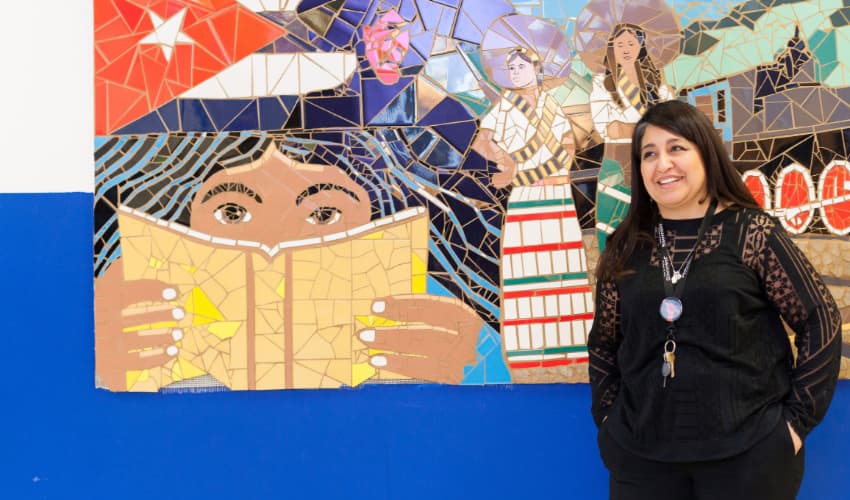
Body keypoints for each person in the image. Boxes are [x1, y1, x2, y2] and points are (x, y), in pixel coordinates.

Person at [587, 100, 842, 500]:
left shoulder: (753, 233)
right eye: (649, 154)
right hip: (645, 458)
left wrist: (793, 425)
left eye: (676, 148)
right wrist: (608, 421)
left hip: (747, 456)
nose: (663, 164)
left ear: (705, 153)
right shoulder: (626, 244)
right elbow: (604, 343)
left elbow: (819, 320)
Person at [94, 131, 485, 391]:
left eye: (325, 214)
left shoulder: (431, 305)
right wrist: (105, 360)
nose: (272, 245)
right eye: (232, 213)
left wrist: (461, 363)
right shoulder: (127, 298)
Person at [470, 45, 593, 378]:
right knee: (528, 264)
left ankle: (572, 339)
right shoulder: (505, 106)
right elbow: (482, 141)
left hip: (555, 188)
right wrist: (504, 159)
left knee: (562, 261)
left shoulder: (551, 103)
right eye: (511, 69)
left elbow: (568, 140)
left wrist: (560, 162)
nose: (515, 73)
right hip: (525, 190)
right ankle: (529, 344)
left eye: (521, 67)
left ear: (536, 68)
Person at [589, 23, 675, 250]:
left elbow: (672, 118)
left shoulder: (655, 82)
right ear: (612, 48)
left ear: (640, 46)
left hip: (656, 161)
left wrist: (634, 127)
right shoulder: (602, 83)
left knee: (657, 222)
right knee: (615, 224)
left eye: (631, 43)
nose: (626, 49)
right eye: (620, 44)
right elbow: (608, 128)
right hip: (618, 163)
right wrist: (651, 127)